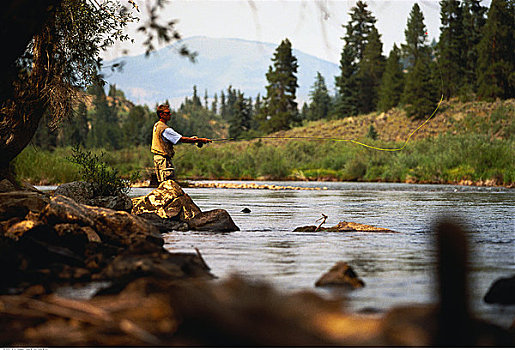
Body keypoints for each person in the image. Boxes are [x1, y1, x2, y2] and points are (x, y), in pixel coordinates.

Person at [151, 104, 212, 183]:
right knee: (168, 184)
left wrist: (193, 139)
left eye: (169, 113)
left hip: (158, 159)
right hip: (163, 161)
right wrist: (200, 140)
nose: (170, 114)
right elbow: (181, 139)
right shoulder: (165, 129)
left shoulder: (157, 125)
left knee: (163, 184)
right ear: (161, 115)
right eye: (167, 113)